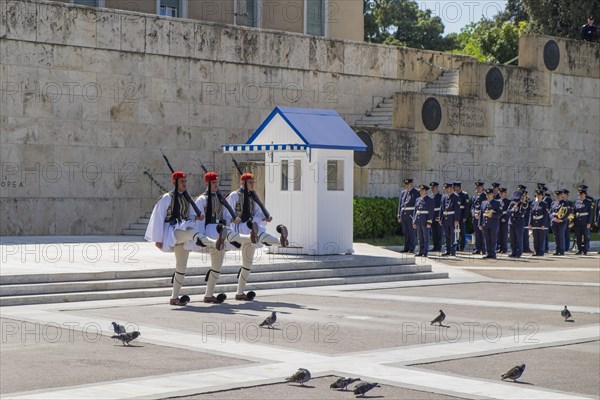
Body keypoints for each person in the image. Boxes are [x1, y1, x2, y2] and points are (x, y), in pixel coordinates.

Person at [144, 171, 222, 306]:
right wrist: (158, 238)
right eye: (182, 182)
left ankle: (174, 298)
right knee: (192, 232)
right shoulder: (167, 198)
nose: (184, 184)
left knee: (181, 267)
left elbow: (190, 216)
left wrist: (197, 217)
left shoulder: (187, 198)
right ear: (174, 182)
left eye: (185, 182)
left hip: (182, 230)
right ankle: (214, 242)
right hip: (171, 231)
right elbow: (158, 217)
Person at [226, 173, 288, 301]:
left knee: (247, 264)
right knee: (259, 234)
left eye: (254, 182)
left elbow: (257, 213)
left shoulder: (253, 196)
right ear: (243, 183)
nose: (253, 184)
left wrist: (264, 217)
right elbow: (226, 213)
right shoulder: (234, 196)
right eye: (251, 183)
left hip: (251, 227)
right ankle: (279, 241)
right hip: (240, 229)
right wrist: (233, 219)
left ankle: (240, 293)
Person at [190, 171, 239, 303]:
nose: (216, 184)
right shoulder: (202, 199)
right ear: (207, 184)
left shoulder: (219, 198)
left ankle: (209, 295)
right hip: (210, 234)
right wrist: (201, 238)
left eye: (217, 182)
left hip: (219, 232)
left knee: (217, 266)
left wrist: (231, 220)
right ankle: (208, 295)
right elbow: (200, 221)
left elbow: (223, 216)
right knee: (216, 265)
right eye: (213, 182)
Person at [478, 188, 502, 259]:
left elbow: (500, 213)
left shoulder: (497, 203)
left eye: (489, 194)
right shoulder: (483, 203)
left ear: (492, 195)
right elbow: (481, 214)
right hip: (485, 224)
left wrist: (493, 215)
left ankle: (493, 253)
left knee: (493, 239)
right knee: (487, 239)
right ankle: (488, 253)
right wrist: (480, 224)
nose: (488, 196)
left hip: (493, 224)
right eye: (487, 194)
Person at [397, 178, 419, 253]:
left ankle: (411, 248)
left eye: (408, 184)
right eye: (406, 184)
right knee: (405, 232)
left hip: (411, 215)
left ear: (411, 184)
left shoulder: (416, 192)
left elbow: (417, 205)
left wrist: (415, 216)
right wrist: (399, 215)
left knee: (411, 232)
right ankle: (406, 247)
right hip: (404, 215)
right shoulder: (403, 193)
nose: (407, 186)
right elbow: (400, 204)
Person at [413, 184, 434, 257]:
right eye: (420, 190)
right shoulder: (417, 200)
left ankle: (425, 252)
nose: (421, 192)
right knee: (419, 237)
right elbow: (415, 211)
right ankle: (420, 251)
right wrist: (414, 221)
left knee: (425, 237)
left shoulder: (429, 200)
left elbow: (431, 212)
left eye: (422, 190)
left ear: (425, 191)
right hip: (418, 221)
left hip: (425, 221)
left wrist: (429, 222)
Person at [440, 183, 460, 256]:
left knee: (452, 235)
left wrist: (456, 220)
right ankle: (447, 250)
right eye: (445, 188)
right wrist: (440, 218)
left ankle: (453, 250)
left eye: (447, 188)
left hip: (452, 218)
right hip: (445, 218)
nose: (446, 189)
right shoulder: (443, 197)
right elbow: (441, 209)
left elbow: (457, 210)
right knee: (446, 235)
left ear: (451, 188)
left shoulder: (456, 197)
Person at [529, 189, 549, 256]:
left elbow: (545, 215)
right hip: (535, 222)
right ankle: (536, 251)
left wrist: (543, 224)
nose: (538, 196)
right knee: (536, 238)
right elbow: (531, 214)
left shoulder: (544, 204)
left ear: (542, 196)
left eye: (539, 195)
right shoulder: (534, 203)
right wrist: (530, 223)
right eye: (537, 195)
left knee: (541, 238)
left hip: (541, 223)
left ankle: (541, 251)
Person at [573, 188, 593, 255]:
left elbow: (590, 213)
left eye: (581, 194)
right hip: (578, 221)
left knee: (586, 236)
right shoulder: (577, 201)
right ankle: (579, 249)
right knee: (578, 236)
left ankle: (585, 250)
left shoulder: (588, 202)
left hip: (585, 222)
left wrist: (589, 223)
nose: (580, 196)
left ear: (585, 194)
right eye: (579, 194)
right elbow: (574, 211)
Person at [550, 189, 570, 256]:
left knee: (560, 236)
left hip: (561, 222)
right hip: (554, 222)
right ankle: (557, 250)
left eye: (559, 195)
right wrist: (552, 218)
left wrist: (562, 220)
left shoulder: (565, 203)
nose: (557, 196)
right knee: (556, 236)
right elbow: (550, 212)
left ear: (562, 195)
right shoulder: (553, 203)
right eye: (557, 195)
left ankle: (561, 251)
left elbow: (568, 213)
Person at [507, 190, 527, 258]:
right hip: (511, 222)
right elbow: (507, 212)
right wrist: (512, 209)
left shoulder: (523, 204)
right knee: (512, 238)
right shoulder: (512, 203)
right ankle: (513, 251)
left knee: (519, 238)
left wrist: (513, 212)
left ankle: (519, 252)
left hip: (519, 222)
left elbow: (520, 213)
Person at [471, 181, 487, 255]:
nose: (477, 189)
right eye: (476, 187)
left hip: (482, 218)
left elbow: (485, 207)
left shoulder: (485, 196)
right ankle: (477, 248)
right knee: (477, 234)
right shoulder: (475, 197)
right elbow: (472, 207)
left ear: (482, 188)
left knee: (482, 234)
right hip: (475, 217)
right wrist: (474, 214)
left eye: (479, 187)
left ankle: (484, 249)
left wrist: (479, 214)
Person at [453, 182, 469, 251]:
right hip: (454, 216)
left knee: (462, 231)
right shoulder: (453, 195)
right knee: (455, 231)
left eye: (455, 187)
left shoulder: (464, 195)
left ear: (458, 187)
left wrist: (465, 216)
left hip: (462, 215)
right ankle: (455, 245)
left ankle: (462, 246)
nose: (453, 188)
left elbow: (466, 206)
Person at [429, 182, 443, 252]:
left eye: (434, 187)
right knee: (433, 233)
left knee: (439, 233)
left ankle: (439, 247)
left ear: (437, 188)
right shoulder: (430, 197)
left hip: (438, 216)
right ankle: (435, 246)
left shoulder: (441, 197)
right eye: (432, 188)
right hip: (432, 217)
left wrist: (440, 217)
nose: (433, 189)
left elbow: (442, 208)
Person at [497, 188, 510, 254]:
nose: (500, 194)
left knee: (504, 234)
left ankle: (504, 248)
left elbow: (508, 211)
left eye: (502, 193)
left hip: (504, 220)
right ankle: (499, 248)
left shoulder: (508, 201)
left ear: (505, 193)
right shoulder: (497, 201)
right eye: (499, 193)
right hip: (498, 220)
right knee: (498, 234)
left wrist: (505, 218)